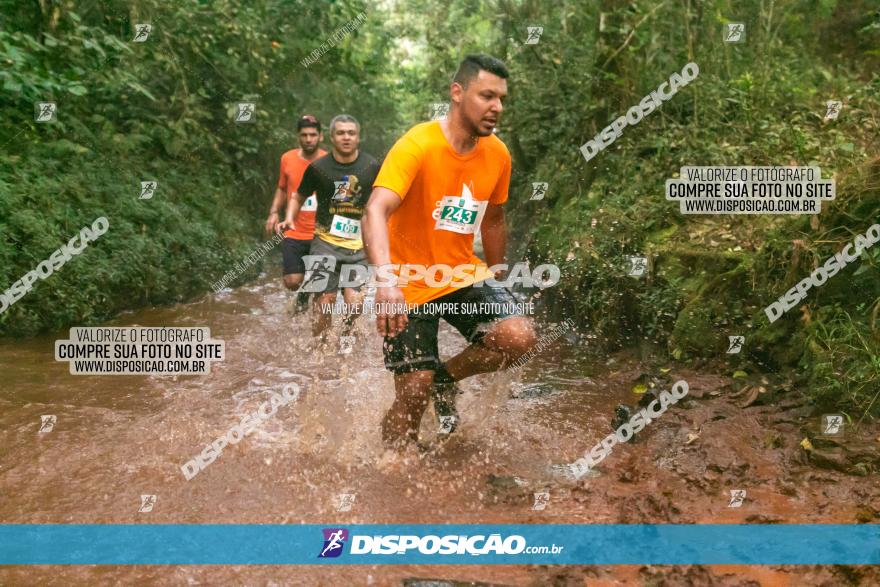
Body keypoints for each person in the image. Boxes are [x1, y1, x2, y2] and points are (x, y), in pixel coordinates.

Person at [363, 54, 537, 450]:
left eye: (502, 99)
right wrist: (386, 283)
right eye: (487, 96)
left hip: (460, 272)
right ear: (457, 93)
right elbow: (375, 209)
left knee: (518, 337)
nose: (497, 108)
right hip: (408, 281)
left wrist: (499, 276)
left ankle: (445, 379)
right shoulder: (417, 145)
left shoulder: (498, 155)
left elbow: (493, 220)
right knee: (412, 393)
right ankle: (393, 466)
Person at [278, 114, 382, 345]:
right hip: (323, 244)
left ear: (358, 137)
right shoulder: (318, 168)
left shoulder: (372, 166)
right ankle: (321, 348)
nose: (346, 137)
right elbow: (298, 196)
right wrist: (289, 218)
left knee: (354, 304)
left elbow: (383, 201)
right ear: (332, 137)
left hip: (359, 247)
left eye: (351, 133)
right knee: (324, 302)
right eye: (341, 133)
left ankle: (346, 335)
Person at [265, 115, 327, 311]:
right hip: (294, 229)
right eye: (304, 135)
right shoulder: (287, 158)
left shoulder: (329, 161)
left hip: (321, 232)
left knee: (321, 285)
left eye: (313, 135)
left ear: (321, 136)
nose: (309, 139)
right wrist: (274, 212)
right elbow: (282, 188)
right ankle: (302, 294)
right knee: (292, 281)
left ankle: (308, 299)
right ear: (298, 137)